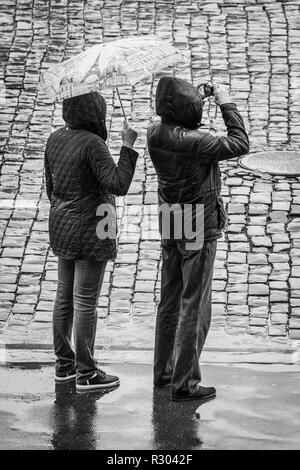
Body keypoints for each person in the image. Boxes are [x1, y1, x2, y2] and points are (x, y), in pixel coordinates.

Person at [147, 77, 249, 401]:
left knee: (169, 300)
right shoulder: (197, 142)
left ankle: (164, 373)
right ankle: (186, 382)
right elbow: (239, 143)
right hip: (196, 222)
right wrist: (226, 102)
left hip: (170, 217)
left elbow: (181, 121)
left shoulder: (154, 133)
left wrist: (201, 99)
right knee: (195, 304)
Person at [44, 91, 138, 391]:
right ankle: (86, 372)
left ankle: (64, 365)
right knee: (85, 302)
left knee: (64, 298)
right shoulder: (93, 144)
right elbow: (119, 184)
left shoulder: (55, 138)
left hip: (62, 226)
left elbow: (51, 186)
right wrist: (127, 146)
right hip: (92, 230)